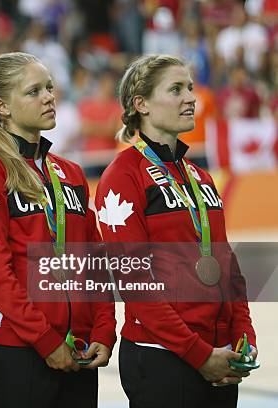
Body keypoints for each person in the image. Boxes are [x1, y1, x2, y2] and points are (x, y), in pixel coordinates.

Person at [95, 54, 257, 407]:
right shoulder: (122, 177)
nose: (190, 98)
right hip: (162, 356)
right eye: (176, 89)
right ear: (142, 104)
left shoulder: (200, 177)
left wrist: (243, 333)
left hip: (220, 353)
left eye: (190, 88)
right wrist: (198, 354)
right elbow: (135, 283)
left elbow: (226, 264)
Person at [0, 52, 116, 408]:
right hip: (18, 356)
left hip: (78, 351)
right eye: (33, 91)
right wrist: (46, 340)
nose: (48, 97)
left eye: (49, 87)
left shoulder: (71, 174)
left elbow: (95, 261)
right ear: (3, 106)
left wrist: (105, 330)